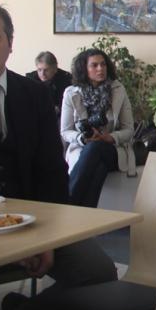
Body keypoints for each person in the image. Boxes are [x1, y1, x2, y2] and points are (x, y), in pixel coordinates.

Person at [0, 2, 116, 310]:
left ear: (10, 44)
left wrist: (47, 239)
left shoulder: (33, 94)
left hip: (32, 223)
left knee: (98, 272)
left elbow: (52, 173)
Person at [60, 48, 134, 207]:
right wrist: (81, 138)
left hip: (112, 149)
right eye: (94, 65)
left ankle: (66, 202)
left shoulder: (118, 90)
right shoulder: (71, 93)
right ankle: (87, 217)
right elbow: (65, 131)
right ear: (84, 69)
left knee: (95, 148)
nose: (100, 69)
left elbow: (129, 129)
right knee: (98, 168)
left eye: (103, 64)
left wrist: (110, 137)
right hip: (82, 149)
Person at [25, 50, 72, 117]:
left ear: (55, 69)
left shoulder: (66, 79)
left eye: (46, 70)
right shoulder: (30, 79)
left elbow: (67, 104)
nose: (42, 74)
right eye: (39, 70)